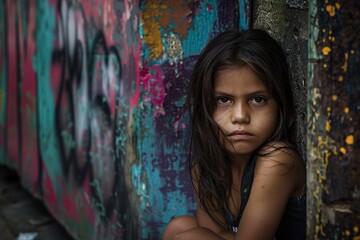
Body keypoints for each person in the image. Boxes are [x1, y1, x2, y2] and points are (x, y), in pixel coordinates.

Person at [162, 28, 306, 240]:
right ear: (205, 106)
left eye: (257, 99)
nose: (239, 116)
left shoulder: (278, 159)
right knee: (178, 227)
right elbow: (215, 233)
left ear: (280, 106)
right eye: (223, 100)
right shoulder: (206, 164)